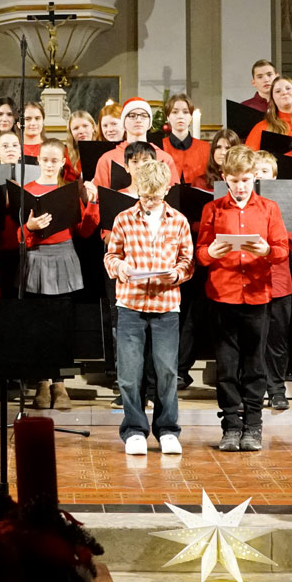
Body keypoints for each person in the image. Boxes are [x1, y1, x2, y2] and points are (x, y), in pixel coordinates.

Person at [196, 145, 290, 452]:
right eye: (234, 180)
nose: (240, 187)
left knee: (254, 365)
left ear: (254, 179)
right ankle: (230, 427)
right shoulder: (213, 209)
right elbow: (201, 252)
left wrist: (265, 251)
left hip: (257, 295)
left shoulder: (268, 208)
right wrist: (210, 253)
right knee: (226, 367)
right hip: (223, 295)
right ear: (225, 178)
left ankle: (253, 426)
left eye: (246, 180)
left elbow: (281, 250)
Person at [103, 155, 196, 456]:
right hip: (130, 303)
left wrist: (178, 274)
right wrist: (120, 268)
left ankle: (167, 429)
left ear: (167, 189)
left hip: (166, 304)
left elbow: (187, 261)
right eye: (145, 195)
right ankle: (134, 430)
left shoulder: (179, 221)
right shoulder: (124, 219)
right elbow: (111, 256)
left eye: (156, 195)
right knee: (130, 372)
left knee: (167, 370)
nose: (151, 201)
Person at [19, 137, 99, 409]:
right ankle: (42, 383)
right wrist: (29, 226)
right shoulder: (27, 189)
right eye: (46, 159)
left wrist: (91, 203)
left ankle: (60, 384)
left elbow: (85, 231)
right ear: (38, 160)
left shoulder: (69, 190)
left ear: (64, 161)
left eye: (56, 160)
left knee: (63, 325)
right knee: (39, 325)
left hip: (64, 255)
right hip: (37, 258)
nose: (51, 164)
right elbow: (16, 236)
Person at [250, 148, 292, 409]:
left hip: (279, 280)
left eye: (265, 172)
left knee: (278, 340)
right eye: (255, 172)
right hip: (250, 280)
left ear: (276, 176)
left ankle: (277, 389)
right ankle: (256, 390)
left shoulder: (286, 201)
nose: (260, 176)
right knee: (255, 339)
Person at [95, 98, 181, 189]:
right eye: (132, 116)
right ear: (123, 121)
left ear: (149, 122)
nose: (139, 120)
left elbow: (174, 197)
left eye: (144, 115)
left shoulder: (164, 158)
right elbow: (98, 198)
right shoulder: (107, 159)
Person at [156, 94, 211, 189]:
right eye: (175, 112)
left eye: (185, 112)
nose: (180, 116)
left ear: (191, 117)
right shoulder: (159, 147)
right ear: (168, 117)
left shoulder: (206, 148)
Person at [244, 77, 292, 150]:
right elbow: (248, 158)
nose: (284, 92)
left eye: (288, 88)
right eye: (278, 91)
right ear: (272, 99)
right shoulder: (261, 128)